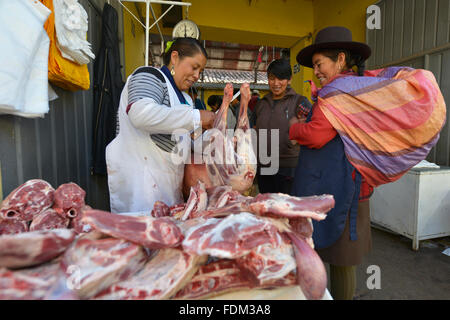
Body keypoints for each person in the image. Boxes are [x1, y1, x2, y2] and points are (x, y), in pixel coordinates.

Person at [289, 26, 445, 300]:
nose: (316, 71)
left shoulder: (337, 94)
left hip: (338, 193)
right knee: (343, 261)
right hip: (354, 187)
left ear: (340, 59)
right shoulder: (362, 89)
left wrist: (293, 129)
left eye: (319, 64)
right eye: (314, 66)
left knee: (337, 260)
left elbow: (315, 135)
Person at [106, 37, 215, 214]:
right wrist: (196, 117)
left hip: (170, 190)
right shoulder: (149, 75)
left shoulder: (186, 99)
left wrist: (215, 139)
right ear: (174, 57)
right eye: (194, 67)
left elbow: (186, 144)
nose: (197, 76)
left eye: (200, 71)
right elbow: (141, 114)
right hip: (140, 187)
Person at [253, 58, 312, 195]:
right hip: (265, 165)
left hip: (289, 166)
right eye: (272, 78)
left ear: (289, 80)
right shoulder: (261, 104)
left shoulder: (300, 102)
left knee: (287, 209)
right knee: (267, 207)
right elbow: (254, 129)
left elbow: (311, 131)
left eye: (281, 79)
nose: (276, 83)